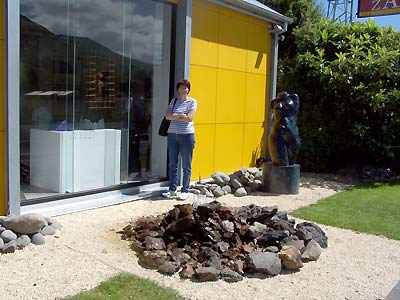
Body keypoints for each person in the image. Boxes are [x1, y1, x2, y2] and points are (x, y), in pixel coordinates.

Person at [162, 79, 197, 200]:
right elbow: (167, 116)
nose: (183, 89)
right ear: (178, 89)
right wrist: (181, 116)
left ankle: (185, 190)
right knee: (172, 163)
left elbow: (189, 118)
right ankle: (172, 189)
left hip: (187, 135)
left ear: (188, 89)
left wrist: (176, 116)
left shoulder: (192, 102)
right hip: (172, 135)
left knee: (186, 164)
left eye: (186, 87)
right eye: (181, 87)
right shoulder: (174, 101)